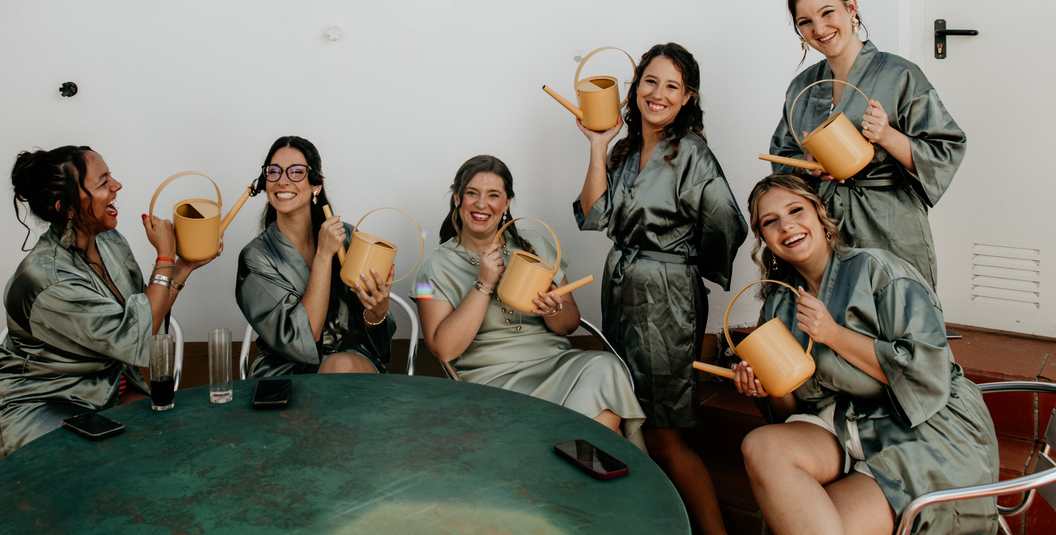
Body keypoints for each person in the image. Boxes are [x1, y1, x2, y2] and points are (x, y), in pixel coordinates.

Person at [735, 173, 997, 535]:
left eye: (796, 210)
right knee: (761, 447)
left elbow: (928, 374)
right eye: (770, 221)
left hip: (918, 423)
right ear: (762, 236)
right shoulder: (780, 301)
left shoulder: (879, 270)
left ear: (820, 212)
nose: (787, 226)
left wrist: (833, 334)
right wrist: (771, 387)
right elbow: (793, 413)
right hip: (842, 421)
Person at [574, 43, 746, 535]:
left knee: (665, 432)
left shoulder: (691, 154)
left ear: (687, 97)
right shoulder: (626, 150)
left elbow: (727, 222)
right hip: (624, 287)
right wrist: (596, 145)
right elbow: (594, 215)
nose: (658, 93)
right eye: (650, 81)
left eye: (672, 86)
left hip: (667, 298)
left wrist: (683, 264)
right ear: (636, 88)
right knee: (634, 417)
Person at [0, 146, 217, 462]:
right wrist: (165, 256)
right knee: (122, 462)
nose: (117, 186)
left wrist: (182, 268)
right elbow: (137, 334)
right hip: (41, 404)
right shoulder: (47, 278)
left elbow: (142, 320)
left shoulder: (108, 240)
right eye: (103, 181)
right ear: (67, 207)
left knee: (172, 441)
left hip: (103, 388)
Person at [412, 155, 646, 446]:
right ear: (458, 198)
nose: (481, 204)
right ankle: (596, 475)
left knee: (605, 366)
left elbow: (569, 325)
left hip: (556, 363)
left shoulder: (534, 244)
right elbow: (443, 350)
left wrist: (554, 308)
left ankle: (572, 471)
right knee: (604, 431)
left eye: (493, 195)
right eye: (472, 193)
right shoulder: (433, 266)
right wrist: (484, 283)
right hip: (493, 379)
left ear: (507, 203)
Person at [767, 0, 966, 289]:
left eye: (827, 12)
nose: (819, 28)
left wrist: (888, 136)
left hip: (888, 222)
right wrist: (809, 164)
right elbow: (783, 158)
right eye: (805, 22)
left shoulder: (900, 74)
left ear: (851, 8)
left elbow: (946, 149)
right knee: (829, 326)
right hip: (824, 225)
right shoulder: (802, 86)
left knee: (898, 320)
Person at [236, 136, 395, 376]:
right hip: (285, 369)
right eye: (274, 172)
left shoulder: (348, 237)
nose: (282, 181)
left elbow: (378, 341)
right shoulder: (256, 257)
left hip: (350, 362)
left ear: (316, 184)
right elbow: (303, 339)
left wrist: (378, 311)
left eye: (297, 172)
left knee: (341, 366)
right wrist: (323, 255)